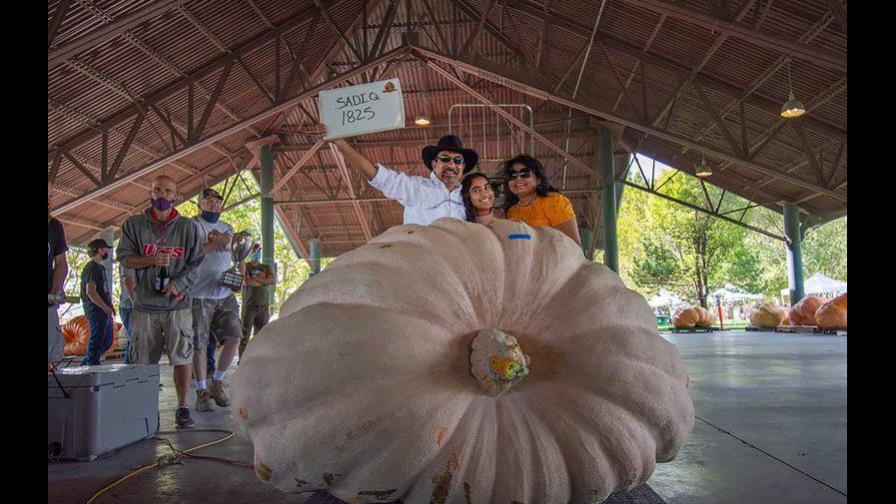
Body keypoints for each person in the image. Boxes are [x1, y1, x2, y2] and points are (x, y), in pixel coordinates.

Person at [116, 175, 204, 428]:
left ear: (176, 196)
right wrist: (152, 261)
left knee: (182, 355)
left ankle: (183, 406)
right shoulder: (133, 225)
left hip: (178, 304)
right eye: (157, 190)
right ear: (150, 193)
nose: (162, 196)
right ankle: (146, 408)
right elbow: (124, 257)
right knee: (144, 359)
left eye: (167, 191)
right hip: (144, 305)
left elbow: (196, 263)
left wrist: (178, 284)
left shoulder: (188, 227)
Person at [332, 135, 478, 225]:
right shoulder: (416, 187)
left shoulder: (468, 195)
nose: (452, 165)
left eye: (457, 160)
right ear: (434, 164)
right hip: (421, 263)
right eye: (445, 159)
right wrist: (341, 145)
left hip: (457, 265)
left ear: (463, 166)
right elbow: (376, 175)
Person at [190, 188, 243, 412]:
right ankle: (201, 391)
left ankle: (217, 382)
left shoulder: (227, 228)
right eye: (209, 201)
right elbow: (188, 253)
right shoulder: (192, 226)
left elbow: (236, 256)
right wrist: (214, 243)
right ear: (200, 204)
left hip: (224, 293)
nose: (214, 205)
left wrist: (239, 276)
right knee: (200, 344)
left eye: (218, 201)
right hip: (199, 295)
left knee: (235, 336)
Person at [500, 154, 582, 245]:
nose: (518, 179)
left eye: (525, 174)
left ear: (538, 179)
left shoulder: (553, 201)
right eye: (512, 175)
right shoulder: (512, 211)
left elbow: (574, 244)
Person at [80, 239, 116, 365]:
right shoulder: (91, 267)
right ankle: (91, 366)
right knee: (97, 340)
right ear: (100, 250)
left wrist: (110, 306)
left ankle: (88, 361)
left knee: (107, 340)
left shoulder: (100, 268)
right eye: (106, 249)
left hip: (104, 309)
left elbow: (104, 290)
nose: (108, 251)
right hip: (96, 310)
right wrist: (104, 307)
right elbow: (91, 291)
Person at [239, 248, 276, 362]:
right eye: (254, 250)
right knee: (245, 334)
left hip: (264, 306)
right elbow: (247, 282)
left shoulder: (266, 267)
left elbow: (273, 280)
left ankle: (258, 360)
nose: (256, 252)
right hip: (249, 306)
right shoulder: (247, 266)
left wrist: (257, 280)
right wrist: (263, 280)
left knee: (261, 335)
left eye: (258, 250)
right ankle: (242, 360)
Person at [48, 181, 69, 366]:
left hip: (48, 305)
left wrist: (56, 290)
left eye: (50, 197)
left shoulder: (55, 226)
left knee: (53, 356)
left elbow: (61, 263)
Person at [119, 262, 136, 364]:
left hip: (132, 306)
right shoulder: (129, 260)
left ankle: (132, 365)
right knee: (134, 338)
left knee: (136, 338)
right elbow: (128, 282)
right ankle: (129, 366)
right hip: (130, 307)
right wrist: (136, 304)